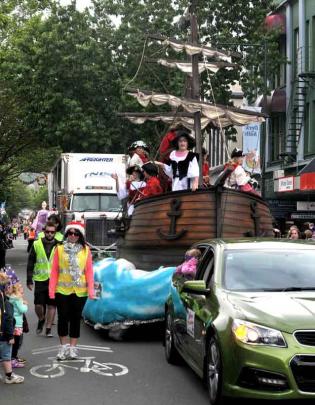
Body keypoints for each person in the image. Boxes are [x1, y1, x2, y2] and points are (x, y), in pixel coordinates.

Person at [49, 221, 95, 361]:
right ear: (66, 234)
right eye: (70, 233)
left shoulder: (86, 250)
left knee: (75, 319)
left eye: (76, 233)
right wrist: (51, 290)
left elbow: (89, 272)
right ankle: (63, 347)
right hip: (62, 290)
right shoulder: (59, 248)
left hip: (80, 292)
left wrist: (91, 290)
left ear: (80, 235)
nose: (73, 236)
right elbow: (55, 271)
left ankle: (73, 349)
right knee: (63, 318)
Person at [27, 221, 58, 337]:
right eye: (47, 232)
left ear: (55, 233)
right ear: (44, 232)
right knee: (38, 305)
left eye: (52, 232)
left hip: (54, 280)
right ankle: (41, 318)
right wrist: (29, 280)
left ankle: (48, 328)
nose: (50, 234)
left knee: (52, 305)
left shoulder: (59, 245)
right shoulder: (36, 244)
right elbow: (30, 262)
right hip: (40, 279)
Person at [0, 272, 24, 384]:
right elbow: (8, 319)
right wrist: (10, 336)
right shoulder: (6, 303)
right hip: (3, 335)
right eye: (8, 285)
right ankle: (9, 377)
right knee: (6, 357)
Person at [6, 268, 28, 368]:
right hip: (17, 324)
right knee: (16, 342)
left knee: (14, 342)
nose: (23, 290)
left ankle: (13, 358)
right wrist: (25, 304)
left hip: (13, 323)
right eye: (21, 288)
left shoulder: (11, 297)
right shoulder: (17, 298)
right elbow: (22, 310)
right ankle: (13, 359)